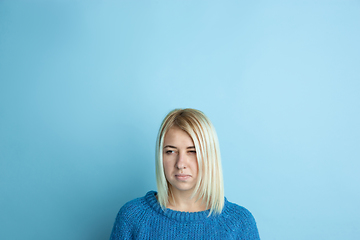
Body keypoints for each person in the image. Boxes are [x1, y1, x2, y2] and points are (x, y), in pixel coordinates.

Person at [110, 108, 260, 239]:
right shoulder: (133, 217)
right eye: (171, 151)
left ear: (209, 156)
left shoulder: (239, 222)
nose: (180, 164)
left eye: (193, 151)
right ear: (160, 156)